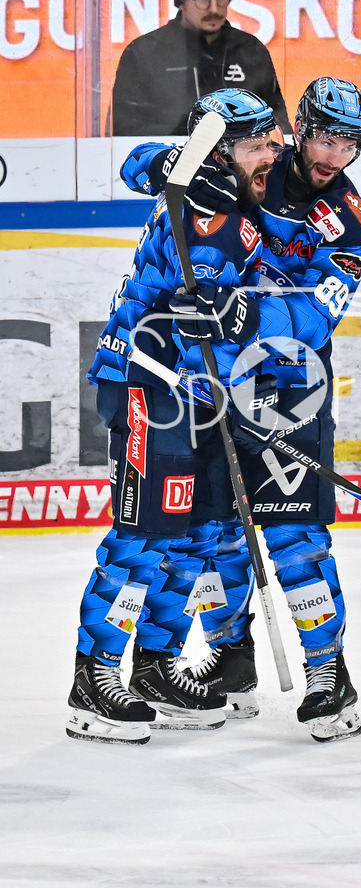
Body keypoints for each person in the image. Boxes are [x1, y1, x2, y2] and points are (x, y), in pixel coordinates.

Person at [119, 78, 361, 743]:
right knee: (212, 530)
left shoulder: (351, 223)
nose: (333, 157)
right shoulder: (254, 166)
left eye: (350, 146)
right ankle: (232, 659)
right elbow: (144, 166)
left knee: (293, 535)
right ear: (298, 129)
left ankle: (327, 675)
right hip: (208, 379)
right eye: (324, 138)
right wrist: (169, 169)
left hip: (287, 386)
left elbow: (320, 313)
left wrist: (248, 314)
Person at [67, 88, 290, 745]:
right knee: (140, 535)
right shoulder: (200, 195)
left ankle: (156, 666)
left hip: (195, 393)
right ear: (221, 152)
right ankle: (95, 676)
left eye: (275, 144)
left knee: (190, 535)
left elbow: (238, 314)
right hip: (149, 383)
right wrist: (167, 163)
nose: (271, 156)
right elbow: (143, 162)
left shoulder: (245, 209)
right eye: (258, 146)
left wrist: (257, 393)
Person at [111, 0, 291, 137]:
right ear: (180, 0)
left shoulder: (250, 50)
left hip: (238, 165)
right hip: (169, 163)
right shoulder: (144, 54)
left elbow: (279, 129)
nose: (214, 8)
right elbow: (122, 131)